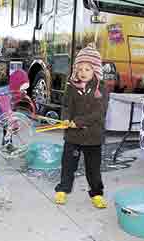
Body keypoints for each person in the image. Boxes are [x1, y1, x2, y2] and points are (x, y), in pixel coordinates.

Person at [54, 43, 109, 208]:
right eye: (80, 69)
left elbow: (98, 113)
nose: (83, 73)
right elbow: (66, 106)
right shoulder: (71, 87)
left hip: (93, 137)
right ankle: (63, 189)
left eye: (87, 69)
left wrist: (77, 122)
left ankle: (97, 193)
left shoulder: (102, 89)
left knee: (93, 168)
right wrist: (65, 119)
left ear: (95, 71)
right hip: (73, 136)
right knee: (68, 164)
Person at [0, 69, 30, 152]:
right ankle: (7, 145)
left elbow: (11, 107)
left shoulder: (15, 92)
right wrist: (15, 124)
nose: (24, 91)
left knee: (7, 125)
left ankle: (7, 144)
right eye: (22, 88)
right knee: (8, 124)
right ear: (16, 85)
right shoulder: (4, 95)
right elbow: (7, 111)